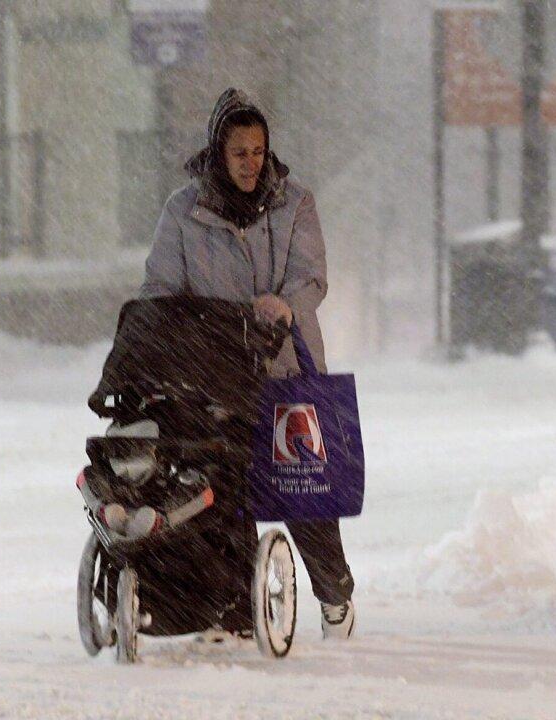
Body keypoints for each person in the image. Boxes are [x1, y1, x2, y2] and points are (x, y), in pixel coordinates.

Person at [139, 88, 356, 638]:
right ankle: (233, 608)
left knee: (303, 488)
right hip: (214, 374)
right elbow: (162, 285)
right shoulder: (183, 211)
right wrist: (154, 336)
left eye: (258, 151)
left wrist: (286, 304)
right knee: (222, 491)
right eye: (239, 152)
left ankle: (335, 596)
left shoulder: (294, 204)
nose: (250, 163)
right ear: (218, 152)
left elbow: (312, 275)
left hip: (285, 370)